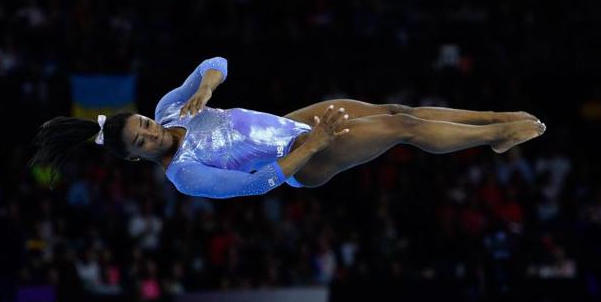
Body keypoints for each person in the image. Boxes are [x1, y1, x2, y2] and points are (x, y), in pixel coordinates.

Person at [29, 57, 546, 199]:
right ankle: (494, 135)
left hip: (289, 122)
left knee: (396, 111)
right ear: (136, 157)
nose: (152, 133)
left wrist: (205, 88)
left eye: (144, 125)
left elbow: (217, 61)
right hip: (304, 158)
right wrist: (315, 143)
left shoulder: (170, 108)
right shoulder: (184, 175)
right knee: (401, 126)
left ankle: (496, 122)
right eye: (143, 142)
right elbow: (259, 182)